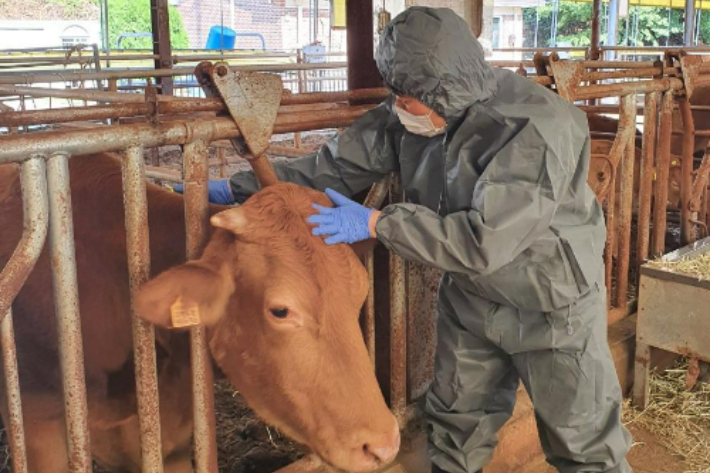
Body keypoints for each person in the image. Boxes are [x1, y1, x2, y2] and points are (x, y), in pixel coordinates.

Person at [175, 7, 633, 473]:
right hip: (472, 298)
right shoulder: (412, 112)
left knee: (582, 441)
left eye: (407, 97)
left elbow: (484, 242)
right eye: (394, 91)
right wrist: (230, 189)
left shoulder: (534, 129)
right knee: (456, 424)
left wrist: (378, 225)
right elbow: (331, 167)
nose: (397, 105)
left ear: (443, 90)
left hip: (550, 303)